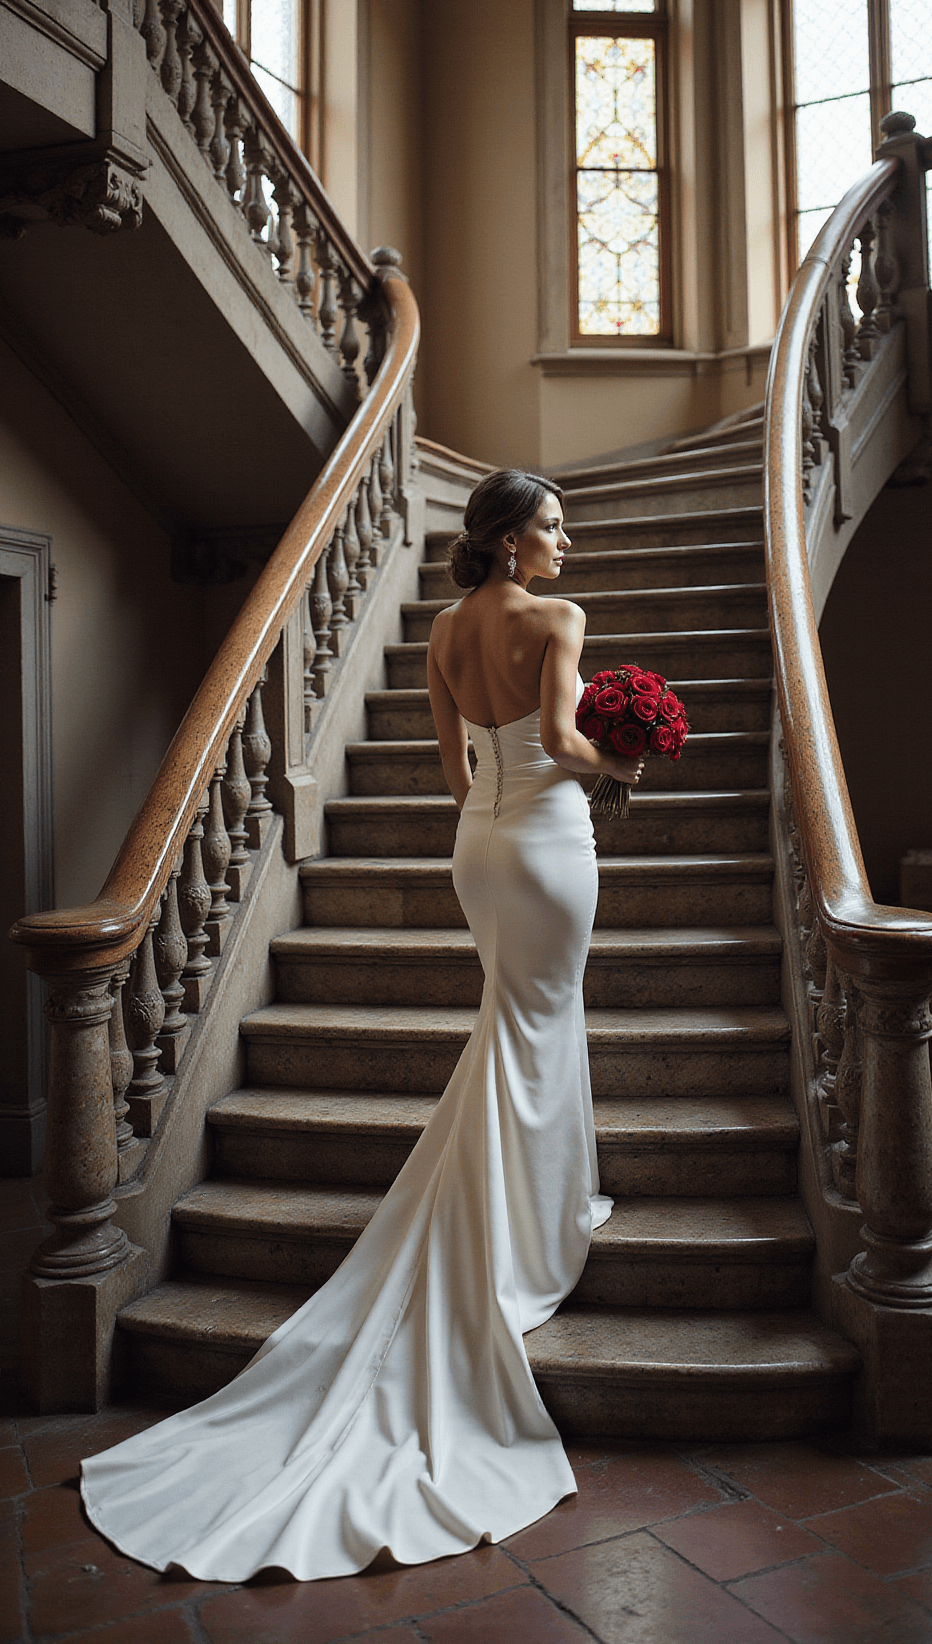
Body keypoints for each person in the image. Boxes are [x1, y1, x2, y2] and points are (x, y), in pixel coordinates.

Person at [79, 468, 642, 1582]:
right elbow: (566, 743)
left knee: (512, 1024)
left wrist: (508, 797)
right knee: (539, 1022)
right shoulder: (557, 618)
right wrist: (623, 766)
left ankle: (530, 1207)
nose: (565, 542)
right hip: (548, 843)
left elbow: (451, 771)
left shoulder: (444, 628)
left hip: (480, 849)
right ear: (509, 539)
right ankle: (532, 1230)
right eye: (552, 526)